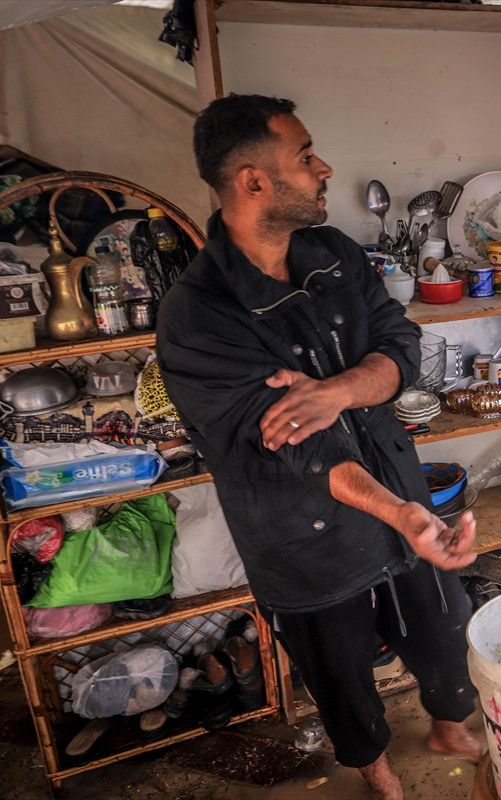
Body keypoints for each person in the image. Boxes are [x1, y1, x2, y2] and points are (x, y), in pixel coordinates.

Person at [157, 94, 480, 800]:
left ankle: (449, 724)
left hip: (392, 481)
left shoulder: (332, 255)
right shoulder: (197, 315)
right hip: (299, 529)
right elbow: (297, 449)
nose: (323, 167)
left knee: (441, 620)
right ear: (254, 181)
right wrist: (399, 511)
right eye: (305, 156)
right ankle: (376, 770)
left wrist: (337, 391)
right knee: (339, 668)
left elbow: (401, 344)